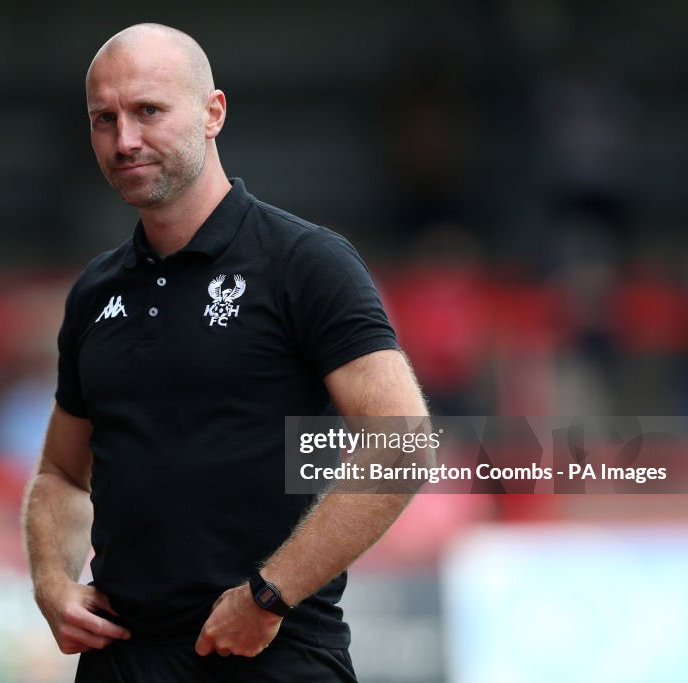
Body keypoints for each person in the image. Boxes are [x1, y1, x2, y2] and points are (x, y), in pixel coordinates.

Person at [23, 23, 429, 682]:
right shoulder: (96, 293)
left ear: (213, 112)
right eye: (104, 118)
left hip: (273, 652)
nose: (124, 139)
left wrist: (269, 595)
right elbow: (62, 476)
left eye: (148, 111)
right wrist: (50, 581)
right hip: (122, 660)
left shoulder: (304, 261)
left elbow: (402, 443)